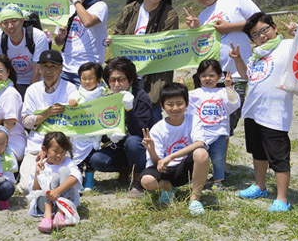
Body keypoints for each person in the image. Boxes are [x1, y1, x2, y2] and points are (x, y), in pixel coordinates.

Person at [231, 13, 298, 212]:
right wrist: (238, 60)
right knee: (258, 153)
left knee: (279, 157)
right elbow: (248, 76)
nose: (261, 36)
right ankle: (260, 186)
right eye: (255, 34)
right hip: (253, 112)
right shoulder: (256, 55)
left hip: (274, 114)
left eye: (264, 30)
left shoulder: (287, 46)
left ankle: (282, 199)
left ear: (274, 28)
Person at [184, 0, 261, 133]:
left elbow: (260, 22)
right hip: (211, 78)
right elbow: (201, 48)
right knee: (211, 125)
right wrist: (196, 29)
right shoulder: (202, 17)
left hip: (237, 75)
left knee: (228, 125)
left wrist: (229, 28)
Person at [108, 0, 178, 119]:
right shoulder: (130, 10)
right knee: (126, 117)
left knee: (151, 116)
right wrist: (113, 41)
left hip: (154, 76)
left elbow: (166, 45)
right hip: (129, 75)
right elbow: (119, 34)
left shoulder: (169, 14)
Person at [139, 83, 210, 216]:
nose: (175, 108)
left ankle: (195, 199)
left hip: (185, 169)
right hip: (165, 170)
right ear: (162, 106)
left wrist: (171, 156)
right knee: (147, 181)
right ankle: (166, 186)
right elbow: (157, 163)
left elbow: (200, 142)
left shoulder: (193, 120)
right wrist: (152, 150)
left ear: (187, 103)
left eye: (179, 103)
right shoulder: (157, 129)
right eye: (170, 104)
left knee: (201, 153)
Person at [88, 57, 154, 197]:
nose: (117, 84)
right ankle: (125, 168)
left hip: (139, 146)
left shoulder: (141, 97)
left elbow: (142, 131)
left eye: (121, 79)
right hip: (118, 147)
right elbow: (102, 128)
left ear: (130, 80)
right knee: (97, 160)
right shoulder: (108, 99)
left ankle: (138, 179)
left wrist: (129, 111)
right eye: (112, 80)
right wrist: (107, 135)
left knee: (133, 142)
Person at [18, 49, 80, 194]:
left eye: (53, 66)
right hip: (36, 147)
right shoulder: (32, 90)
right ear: (39, 68)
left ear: (61, 69)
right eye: (45, 66)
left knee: (60, 183)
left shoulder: (70, 88)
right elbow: (26, 121)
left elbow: (77, 116)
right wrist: (46, 114)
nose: (48, 71)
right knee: (27, 188)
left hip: (60, 149)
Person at [188, 60, 240, 189]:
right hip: (201, 134)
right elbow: (184, 104)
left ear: (219, 76)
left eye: (211, 75)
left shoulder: (223, 92)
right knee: (199, 158)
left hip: (219, 133)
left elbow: (234, 104)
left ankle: (218, 181)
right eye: (204, 75)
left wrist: (229, 87)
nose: (208, 79)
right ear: (199, 76)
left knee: (218, 159)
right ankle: (198, 179)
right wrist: (181, 88)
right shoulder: (194, 94)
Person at [54, 0, 108, 86]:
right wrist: (61, 36)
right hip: (65, 68)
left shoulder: (99, 6)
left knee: (87, 98)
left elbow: (88, 22)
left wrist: (75, 1)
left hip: (88, 69)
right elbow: (58, 42)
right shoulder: (67, 9)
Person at [0, 3, 48, 97]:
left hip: (36, 82)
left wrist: (30, 96)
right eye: (5, 23)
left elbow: (37, 69)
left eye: (14, 21)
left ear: (22, 21)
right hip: (11, 82)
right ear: (0, 25)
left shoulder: (38, 36)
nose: (10, 26)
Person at [28, 132, 81, 233]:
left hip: (64, 203)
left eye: (63, 152)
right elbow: (35, 190)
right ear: (45, 149)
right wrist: (37, 173)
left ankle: (60, 213)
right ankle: (47, 215)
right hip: (45, 204)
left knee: (64, 171)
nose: (59, 155)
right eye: (55, 151)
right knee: (52, 178)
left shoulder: (67, 162)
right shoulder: (39, 165)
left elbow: (75, 177)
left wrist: (57, 191)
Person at [69, 62, 106, 192]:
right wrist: (73, 103)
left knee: (91, 159)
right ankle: (78, 181)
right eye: (84, 78)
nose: (87, 82)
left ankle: (90, 181)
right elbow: (71, 101)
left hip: (94, 133)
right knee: (77, 160)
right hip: (79, 134)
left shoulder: (102, 94)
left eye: (91, 78)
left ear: (98, 79)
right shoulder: (77, 93)